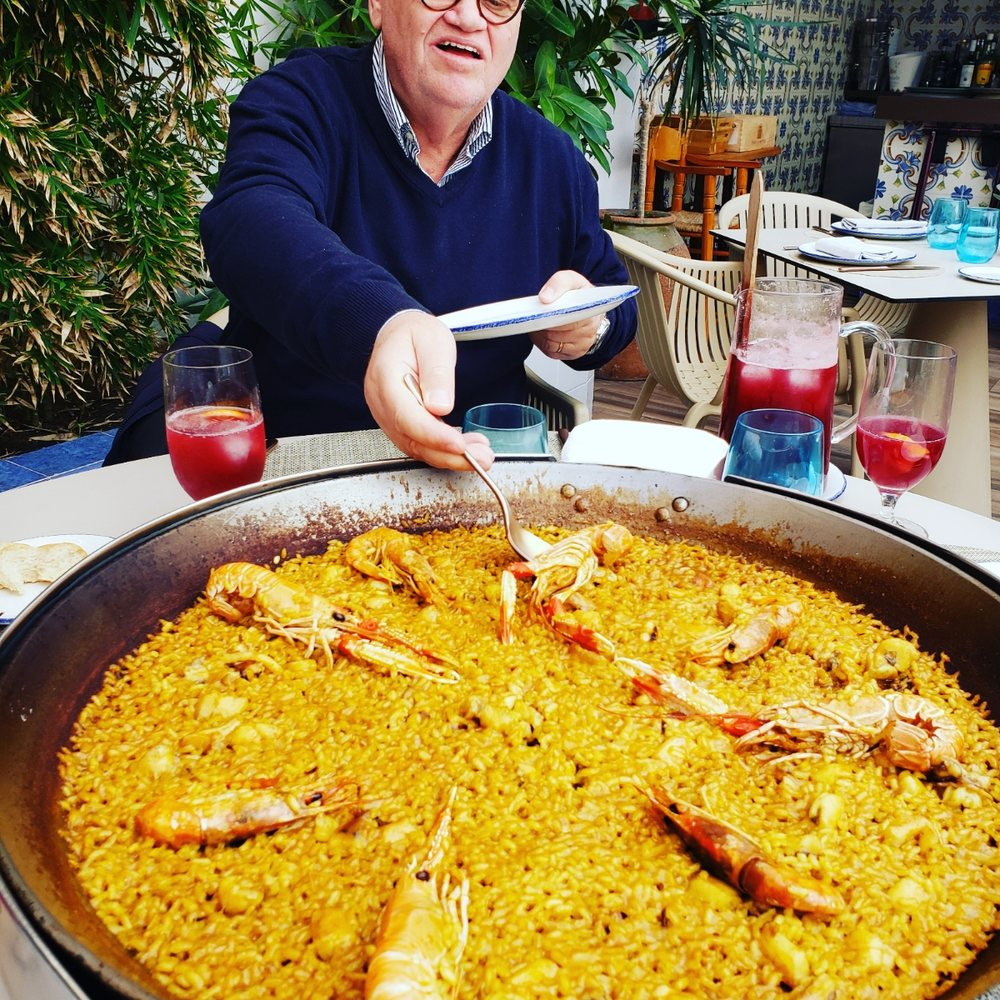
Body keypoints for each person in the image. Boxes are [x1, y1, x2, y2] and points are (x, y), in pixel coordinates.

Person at [104, 0, 636, 470]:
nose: (469, 16)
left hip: (474, 472)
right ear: (377, 4)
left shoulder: (551, 160)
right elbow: (250, 219)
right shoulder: (301, 100)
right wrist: (381, 324)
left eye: (497, 1)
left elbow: (613, 298)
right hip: (293, 465)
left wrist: (589, 325)